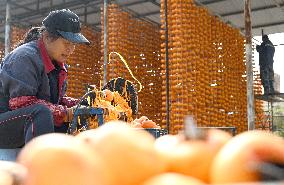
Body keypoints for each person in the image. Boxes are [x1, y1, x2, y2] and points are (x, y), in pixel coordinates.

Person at [0, 9, 90, 148]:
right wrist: (66, 112)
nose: (70, 49)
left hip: (27, 123)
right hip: (5, 122)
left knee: (80, 118)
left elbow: (57, 101)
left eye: (73, 45)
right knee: (41, 113)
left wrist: (83, 104)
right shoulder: (25, 57)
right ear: (47, 37)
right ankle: (39, 164)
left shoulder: (59, 64)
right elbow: (22, 103)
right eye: (67, 43)